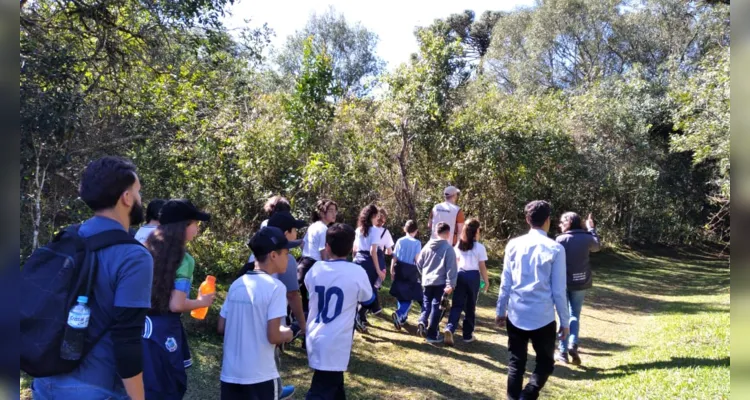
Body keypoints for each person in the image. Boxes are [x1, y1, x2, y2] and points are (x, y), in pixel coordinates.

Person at [31, 156, 153, 400]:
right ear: (126, 198)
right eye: (138, 192)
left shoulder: (69, 237)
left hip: (45, 382)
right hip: (95, 388)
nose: (140, 199)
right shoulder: (134, 256)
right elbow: (127, 337)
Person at [495, 200, 570, 400]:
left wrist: (500, 311)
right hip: (542, 316)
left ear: (528, 220)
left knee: (515, 363)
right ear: (548, 220)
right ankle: (527, 395)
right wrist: (565, 321)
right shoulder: (555, 249)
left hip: (517, 312)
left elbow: (505, 282)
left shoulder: (513, 244)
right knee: (545, 363)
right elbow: (559, 290)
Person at [141, 199, 215, 399]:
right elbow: (177, 304)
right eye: (195, 224)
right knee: (169, 387)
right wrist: (202, 301)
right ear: (183, 226)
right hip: (164, 330)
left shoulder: (145, 248)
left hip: (140, 328)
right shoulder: (184, 259)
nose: (197, 229)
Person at [218, 226, 300, 400]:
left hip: (230, 374)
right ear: (273, 255)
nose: (289, 258)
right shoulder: (276, 288)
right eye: (286, 253)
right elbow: (274, 336)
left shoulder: (237, 284)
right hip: (260, 377)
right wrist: (291, 331)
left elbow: (222, 326)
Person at [305, 223, 375, 400]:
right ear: (352, 248)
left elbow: (309, 290)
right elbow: (369, 299)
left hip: (315, 334)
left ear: (327, 247)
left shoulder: (316, 269)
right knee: (322, 389)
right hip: (336, 341)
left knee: (333, 383)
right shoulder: (356, 271)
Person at [554, 212, 601, 366]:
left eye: (562, 222)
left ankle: (562, 352)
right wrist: (591, 229)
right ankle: (573, 344)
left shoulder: (560, 240)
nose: (560, 224)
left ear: (570, 222)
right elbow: (596, 247)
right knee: (575, 314)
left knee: (563, 315)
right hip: (581, 282)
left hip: (563, 283)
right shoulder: (587, 237)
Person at [444, 219, 490, 345]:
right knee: (470, 307)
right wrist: (486, 281)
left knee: (457, 304)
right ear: (476, 232)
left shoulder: (459, 244)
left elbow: (455, 262)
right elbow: (482, 266)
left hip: (460, 275)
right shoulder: (480, 247)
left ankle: (450, 328)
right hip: (473, 276)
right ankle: (467, 335)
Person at [416, 222, 458, 343]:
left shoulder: (427, 246)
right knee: (436, 307)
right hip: (440, 282)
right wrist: (451, 284)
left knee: (426, 303)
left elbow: (419, 263)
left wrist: (424, 275)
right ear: (448, 233)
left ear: (436, 232)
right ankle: (432, 335)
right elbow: (451, 268)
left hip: (427, 281)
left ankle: (422, 321)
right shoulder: (448, 249)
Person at [298, 199, 338, 315]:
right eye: (330, 211)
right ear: (322, 213)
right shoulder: (324, 229)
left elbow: (302, 244)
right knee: (313, 302)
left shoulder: (313, 226)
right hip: (314, 266)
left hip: (303, 264)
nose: (334, 214)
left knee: (305, 300)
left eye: (335, 211)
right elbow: (323, 251)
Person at [352, 204, 384, 332]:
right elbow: (373, 251)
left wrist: (354, 260)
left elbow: (354, 249)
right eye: (377, 216)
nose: (378, 218)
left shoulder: (358, 230)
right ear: (373, 216)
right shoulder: (375, 231)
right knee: (368, 291)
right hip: (368, 263)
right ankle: (359, 316)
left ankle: (356, 316)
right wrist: (377, 270)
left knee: (357, 291)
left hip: (357, 260)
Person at [389, 220, 423, 330]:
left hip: (399, 268)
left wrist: (391, 269)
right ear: (416, 231)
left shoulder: (399, 240)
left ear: (405, 229)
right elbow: (417, 259)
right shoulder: (417, 243)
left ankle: (402, 318)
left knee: (400, 293)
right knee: (410, 296)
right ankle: (399, 313)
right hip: (410, 270)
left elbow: (395, 257)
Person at [374, 207, 394, 290]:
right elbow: (389, 252)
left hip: (366, 260)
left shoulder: (366, 229)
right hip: (378, 262)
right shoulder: (385, 232)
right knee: (374, 286)